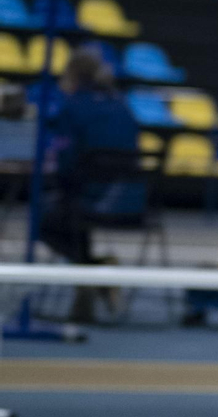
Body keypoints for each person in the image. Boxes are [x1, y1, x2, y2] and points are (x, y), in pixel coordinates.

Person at [40, 48, 144, 320]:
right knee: (72, 214)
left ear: (72, 75)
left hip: (91, 199)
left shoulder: (73, 108)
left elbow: (64, 164)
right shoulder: (122, 104)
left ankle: (93, 273)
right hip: (134, 201)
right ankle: (97, 274)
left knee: (41, 218)